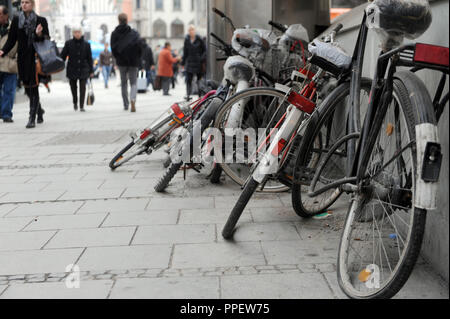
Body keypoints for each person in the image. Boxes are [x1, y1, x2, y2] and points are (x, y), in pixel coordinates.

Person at [0, 0, 49, 129]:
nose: (24, 5)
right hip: (22, 58)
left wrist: (39, 34)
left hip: (35, 58)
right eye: (22, 2)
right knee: (27, 88)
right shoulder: (17, 20)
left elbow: (46, 40)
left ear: (32, 4)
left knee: (33, 86)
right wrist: (3, 51)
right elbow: (12, 39)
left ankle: (31, 117)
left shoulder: (41, 20)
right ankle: (39, 110)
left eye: (27, 2)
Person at [110, 13, 142, 112]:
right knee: (133, 82)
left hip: (121, 62)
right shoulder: (134, 33)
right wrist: (138, 58)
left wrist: (118, 58)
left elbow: (113, 49)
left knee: (123, 83)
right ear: (127, 20)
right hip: (133, 62)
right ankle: (133, 99)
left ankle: (125, 104)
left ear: (118, 21)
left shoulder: (114, 34)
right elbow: (140, 47)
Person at [60, 26, 94, 112]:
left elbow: (89, 58)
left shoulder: (86, 44)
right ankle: (75, 102)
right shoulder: (68, 43)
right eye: (75, 32)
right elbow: (63, 56)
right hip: (72, 68)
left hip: (83, 68)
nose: (77, 34)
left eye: (78, 32)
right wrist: (58, 64)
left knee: (83, 87)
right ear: (73, 33)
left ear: (81, 33)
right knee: (73, 88)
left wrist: (91, 70)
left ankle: (81, 105)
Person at [0, 5, 17, 123]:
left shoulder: (13, 28)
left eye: (0, 14)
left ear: (5, 15)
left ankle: (6, 114)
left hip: (10, 63)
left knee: (9, 90)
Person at [182, 25, 206, 99]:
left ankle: (200, 95)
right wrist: (183, 62)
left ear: (194, 31)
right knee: (188, 79)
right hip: (189, 62)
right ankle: (188, 95)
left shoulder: (199, 39)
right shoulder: (187, 40)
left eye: (192, 30)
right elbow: (185, 52)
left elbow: (204, 50)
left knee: (199, 80)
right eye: (189, 30)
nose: (191, 31)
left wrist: (201, 58)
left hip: (198, 62)